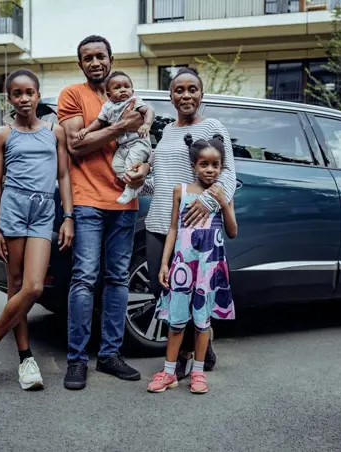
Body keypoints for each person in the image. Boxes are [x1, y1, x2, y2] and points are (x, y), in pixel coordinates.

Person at [0, 68, 74, 391]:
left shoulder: (55, 133)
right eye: (17, 93)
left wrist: (68, 216)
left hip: (42, 212)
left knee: (34, 287)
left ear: (38, 96)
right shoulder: (3, 135)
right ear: (9, 98)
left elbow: (64, 176)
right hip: (13, 211)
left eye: (30, 92)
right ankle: (26, 360)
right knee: (16, 287)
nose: (24, 98)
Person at [57, 35, 150, 390]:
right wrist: (119, 127)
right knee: (84, 277)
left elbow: (144, 142)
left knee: (116, 280)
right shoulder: (72, 95)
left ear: (111, 59)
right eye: (88, 58)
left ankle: (109, 356)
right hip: (88, 200)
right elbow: (76, 145)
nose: (95, 62)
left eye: (101, 56)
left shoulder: (127, 92)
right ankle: (77, 360)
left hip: (125, 202)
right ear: (81, 64)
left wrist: (145, 167)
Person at [137, 67, 237, 381]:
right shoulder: (166, 132)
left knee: (196, 290)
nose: (186, 95)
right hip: (161, 220)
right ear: (171, 96)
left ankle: (186, 356)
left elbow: (229, 173)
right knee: (163, 288)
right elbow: (163, 181)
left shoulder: (212, 126)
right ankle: (198, 349)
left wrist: (207, 202)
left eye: (192, 89)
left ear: (201, 94)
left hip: (196, 224)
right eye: (179, 90)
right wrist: (139, 184)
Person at [147, 133, 238, 394]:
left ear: (222, 167)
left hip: (209, 268)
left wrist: (222, 202)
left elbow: (232, 231)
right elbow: (173, 229)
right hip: (183, 266)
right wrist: (165, 264)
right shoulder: (181, 191)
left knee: (203, 322)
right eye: (204, 164)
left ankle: (198, 373)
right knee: (176, 320)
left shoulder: (223, 194)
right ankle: (168, 372)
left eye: (215, 165)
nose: (210, 170)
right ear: (193, 166)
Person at [76, 70, 155, 205]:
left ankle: (130, 190)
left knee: (131, 163)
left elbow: (149, 110)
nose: (123, 90)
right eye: (117, 88)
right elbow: (99, 121)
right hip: (124, 146)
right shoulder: (107, 107)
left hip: (139, 143)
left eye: (126, 87)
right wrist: (86, 130)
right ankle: (134, 185)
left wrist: (147, 124)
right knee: (117, 165)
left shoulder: (134, 101)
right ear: (109, 95)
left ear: (132, 90)